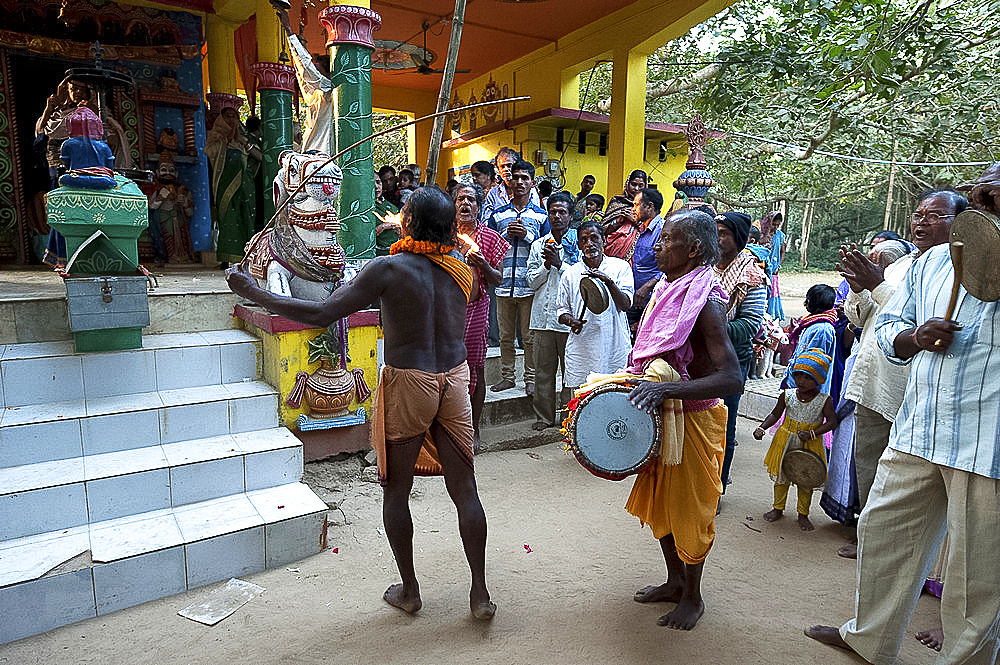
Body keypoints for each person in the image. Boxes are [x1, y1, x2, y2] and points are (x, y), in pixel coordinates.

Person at [225, 186, 495, 621]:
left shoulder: (387, 268)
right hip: (455, 378)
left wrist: (251, 290)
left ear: (407, 223)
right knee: (466, 491)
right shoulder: (460, 268)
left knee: (396, 490)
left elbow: (319, 314)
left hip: (411, 382)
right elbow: (476, 284)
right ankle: (479, 594)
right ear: (448, 229)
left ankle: (410, 591)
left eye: (401, 213)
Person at [805, 194, 1000, 665]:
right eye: (979, 192)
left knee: (976, 572)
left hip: (988, 442)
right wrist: (914, 337)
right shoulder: (929, 262)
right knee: (883, 530)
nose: (984, 199)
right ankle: (869, 637)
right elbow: (892, 322)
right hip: (918, 427)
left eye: (995, 193)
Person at [623, 208, 741, 630]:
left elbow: (730, 375)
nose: (657, 245)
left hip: (694, 419)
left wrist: (667, 389)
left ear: (691, 250)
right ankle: (674, 581)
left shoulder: (705, 302)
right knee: (663, 504)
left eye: (667, 239)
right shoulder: (669, 288)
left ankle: (693, 596)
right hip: (666, 414)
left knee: (690, 511)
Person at [836, 191, 967, 559]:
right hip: (871, 383)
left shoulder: (958, 269)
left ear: (961, 222)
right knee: (869, 467)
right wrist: (860, 289)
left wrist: (876, 284)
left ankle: (905, 552)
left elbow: (927, 324)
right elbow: (861, 318)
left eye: (935, 215)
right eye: (918, 214)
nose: (921, 221)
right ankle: (867, 536)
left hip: (908, 391)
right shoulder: (902, 263)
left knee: (903, 480)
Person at [755, 350, 838, 531]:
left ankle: (803, 514)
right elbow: (775, 414)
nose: (801, 380)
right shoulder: (787, 395)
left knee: (805, 479)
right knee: (782, 476)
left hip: (810, 444)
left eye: (807, 377)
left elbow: (832, 422)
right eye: (798, 375)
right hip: (785, 441)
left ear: (818, 379)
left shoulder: (825, 400)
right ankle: (778, 508)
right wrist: (762, 427)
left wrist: (813, 433)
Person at [714, 211, 767, 493]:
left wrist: (712, 327)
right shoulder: (704, 267)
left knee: (724, 424)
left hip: (731, 359)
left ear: (740, 239)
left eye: (724, 234)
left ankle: (718, 487)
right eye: (716, 232)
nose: (718, 239)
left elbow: (749, 325)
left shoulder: (752, 275)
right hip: (699, 357)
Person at [454, 183, 508, 449]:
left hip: (475, 310)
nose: (465, 204)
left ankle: (474, 430)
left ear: (479, 206)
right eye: (461, 199)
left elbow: (498, 279)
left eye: (471, 200)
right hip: (447, 313)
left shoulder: (489, 237)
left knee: (476, 370)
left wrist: (483, 264)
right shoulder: (444, 235)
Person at [489, 160, 548, 395]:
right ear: (509, 181)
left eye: (525, 178)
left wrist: (528, 236)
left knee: (529, 337)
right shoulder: (497, 214)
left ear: (533, 182)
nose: (520, 182)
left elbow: (546, 248)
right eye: (516, 177)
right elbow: (491, 248)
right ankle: (507, 377)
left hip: (529, 285)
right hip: (504, 285)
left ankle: (530, 378)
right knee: (505, 337)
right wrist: (506, 235)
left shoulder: (542, 216)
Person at [556, 221, 633, 388]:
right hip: (582, 348)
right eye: (583, 240)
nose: (589, 244)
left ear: (604, 240)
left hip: (614, 345)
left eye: (594, 238)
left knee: (615, 396)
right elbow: (562, 311)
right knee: (580, 398)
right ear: (578, 245)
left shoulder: (620, 267)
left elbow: (626, 305)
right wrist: (571, 321)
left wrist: (609, 282)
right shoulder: (570, 274)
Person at [527, 191, 578, 430]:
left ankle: (570, 419)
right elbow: (530, 281)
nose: (556, 216)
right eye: (552, 212)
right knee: (543, 373)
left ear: (571, 215)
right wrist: (547, 267)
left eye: (562, 212)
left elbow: (581, 280)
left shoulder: (580, 243)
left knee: (571, 373)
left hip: (568, 319)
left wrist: (560, 263)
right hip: (542, 318)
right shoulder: (538, 245)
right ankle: (544, 418)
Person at [205, 107, 258, 265]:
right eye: (227, 116)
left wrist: (242, 141)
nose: (231, 120)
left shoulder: (244, 138)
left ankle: (248, 257)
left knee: (246, 217)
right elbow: (209, 151)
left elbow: (259, 157)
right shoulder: (215, 137)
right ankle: (227, 259)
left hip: (246, 185)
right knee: (227, 218)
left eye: (234, 116)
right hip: (224, 184)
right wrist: (226, 141)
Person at [782, 284, 837, 394]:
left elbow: (813, 365)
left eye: (808, 300)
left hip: (807, 391)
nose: (805, 303)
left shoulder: (822, 329)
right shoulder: (812, 324)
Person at [627, 188, 666, 333]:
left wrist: (647, 287)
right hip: (633, 297)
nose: (633, 209)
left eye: (636, 205)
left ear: (649, 206)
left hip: (651, 300)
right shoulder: (638, 229)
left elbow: (669, 266)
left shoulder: (663, 230)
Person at [482, 148, 540, 222]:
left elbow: (536, 217)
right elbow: (487, 220)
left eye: (509, 165)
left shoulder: (531, 191)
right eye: (502, 166)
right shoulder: (493, 193)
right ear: (498, 170)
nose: (505, 169)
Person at [602, 169, 648, 260]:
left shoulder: (648, 205)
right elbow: (602, 229)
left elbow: (652, 231)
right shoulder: (617, 202)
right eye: (633, 184)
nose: (636, 189)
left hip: (638, 254)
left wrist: (635, 220)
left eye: (640, 185)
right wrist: (617, 221)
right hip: (613, 251)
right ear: (627, 184)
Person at [759, 211, 787, 320]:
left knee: (772, 291)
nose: (775, 227)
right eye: (773, 224)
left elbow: (782, 251)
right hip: (762, 268)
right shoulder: (761, 233)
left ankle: (772, 314)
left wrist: (779, 265)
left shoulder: (780, 235)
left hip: (774, 269)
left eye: (777, 225)